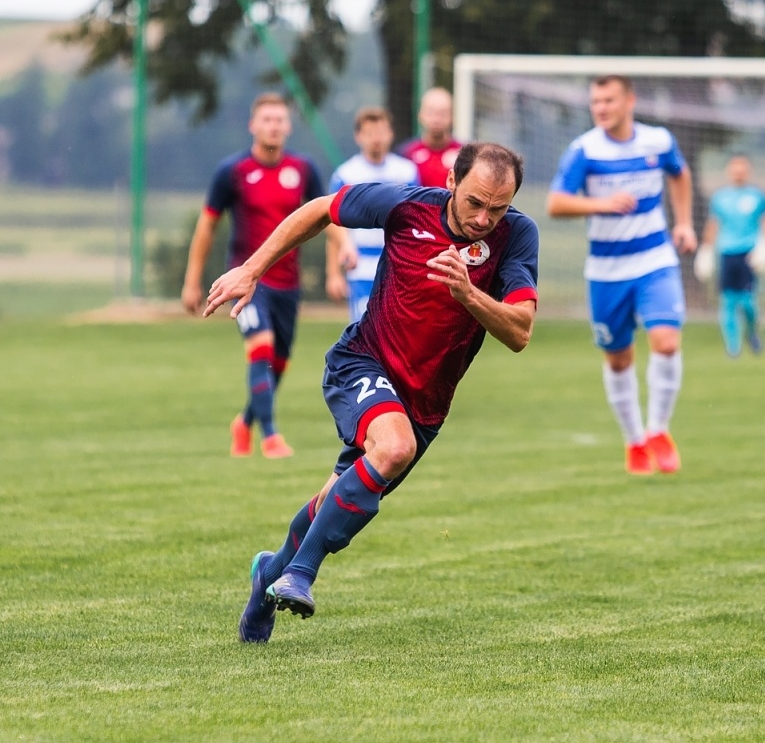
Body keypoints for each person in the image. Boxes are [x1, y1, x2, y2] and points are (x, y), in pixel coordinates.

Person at [207, 143, 540, 641]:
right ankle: (301, 574)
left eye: (498, 206)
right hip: (362, 362)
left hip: (426, 403)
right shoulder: (406, 206)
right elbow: (321, 209)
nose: (484, 217)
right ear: (452, 181)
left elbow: (519, 332)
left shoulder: (517, 235)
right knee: (394, 447)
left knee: (336, 494)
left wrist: (468, 293)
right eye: (474, 202)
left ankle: (268, 576)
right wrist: (252, 269)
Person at [546, 74, 696, 476]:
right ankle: (634, 441)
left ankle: (659, 432)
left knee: (666, 342)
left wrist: (684, 223)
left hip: (655, 261)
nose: (601, 108)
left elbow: (680, 174)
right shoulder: (583, 150)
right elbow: (556, 203)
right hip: (607, 271)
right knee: (618, 359)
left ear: (629, 100)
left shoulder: (658, 141)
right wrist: (602, 204)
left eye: (609, 100)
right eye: (596, 102)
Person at [181, 93, 324, 459]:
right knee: (259, 349)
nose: (274, 125)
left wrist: (345, 250)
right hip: (247, 282)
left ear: (288, 126)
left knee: (278, 361)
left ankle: (244, 423)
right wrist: (192, 280)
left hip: (288, 284)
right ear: (253, 126)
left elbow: (326, 214)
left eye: (280, 120)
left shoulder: (304, 170)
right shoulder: (232, 172)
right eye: (267, 119)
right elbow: (207, 226)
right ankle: (271, 437)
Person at [326, 107, 419, 324]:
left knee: (396, 331)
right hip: (361, 266)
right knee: (364, 330)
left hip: (398, 264)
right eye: (369, 133)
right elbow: (331, 222)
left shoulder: (407, 172)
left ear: (391, 134)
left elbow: (417, 218)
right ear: (358, 136)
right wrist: (333, 273)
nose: (376, 139)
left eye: (381, 132)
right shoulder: (346, 174)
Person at [695, 154, 765, 357]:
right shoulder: (720, 197)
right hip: (727, 253)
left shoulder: (758, 195)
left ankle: (752, 332)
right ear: (729, 170)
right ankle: (733, 347)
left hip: (749, 254)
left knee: (748, 302)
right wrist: (705, 250)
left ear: (748, 170)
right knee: (728, 301)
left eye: (742, 167)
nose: (738, 171)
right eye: (735, 167)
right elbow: (714, 225)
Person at [398, 87, 465, 189]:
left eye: (443, 114)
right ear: (420, 115)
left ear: (452, 117)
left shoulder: (464, 154)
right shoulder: (406, 152)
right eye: (431, 112)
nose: (436, 119)